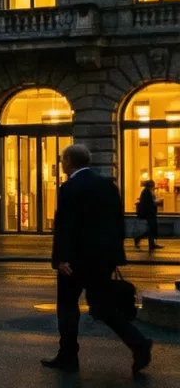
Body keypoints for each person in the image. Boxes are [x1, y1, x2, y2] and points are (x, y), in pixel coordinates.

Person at [43, 144, 153, 374]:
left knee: (67, 306)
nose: (61, 163)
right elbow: (118, 222)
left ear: (69, 161)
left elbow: (66, 226)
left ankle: (68, 355)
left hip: (75, 260)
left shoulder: (70, 187)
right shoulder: (107, 185)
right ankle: (138, 343)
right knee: (103, 306)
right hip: (102, 259)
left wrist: (61, 259)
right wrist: (116, 255)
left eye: (63, 159)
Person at [135, 182, 160, 251]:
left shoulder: (147, 191)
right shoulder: (146, 192)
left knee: (151, 228)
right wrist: (155, 203)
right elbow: (148, 203)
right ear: (150, 185)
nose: (153, 186)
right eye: (153, 185)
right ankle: (139, 238)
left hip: (150, 213)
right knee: (151, 228)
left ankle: (151, 244)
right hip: (149, 213)